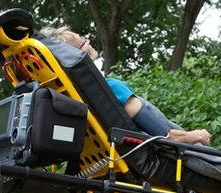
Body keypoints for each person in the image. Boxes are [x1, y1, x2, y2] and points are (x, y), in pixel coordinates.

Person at [39, 26, 212, 145]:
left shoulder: (79, 100)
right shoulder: (112, 88)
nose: (88, 40)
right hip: (180, 154)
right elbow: (168, 135)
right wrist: (197, 135)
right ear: (78, 53)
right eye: (82, 40)